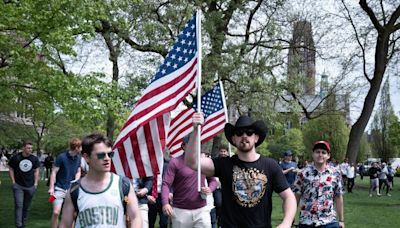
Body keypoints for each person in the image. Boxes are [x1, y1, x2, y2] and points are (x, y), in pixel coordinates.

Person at [185, 113, 296, 228]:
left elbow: (289, 196)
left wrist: (286, 223)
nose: (244, 136)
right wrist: (195, 131)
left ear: (256, 138)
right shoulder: (224, 164)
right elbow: (192, 162)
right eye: (239, 133)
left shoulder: (271, 166)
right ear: (234, 139)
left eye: (249, 132)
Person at [59, 133, 142, 227]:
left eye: (110, 154)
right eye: (101, 155)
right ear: (86, 157)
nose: (107, 159)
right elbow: (65, 224)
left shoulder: (123, 185)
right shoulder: (74, 190)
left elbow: (135, 217)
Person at [161, 135, 218, 228]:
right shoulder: (175, 162)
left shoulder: (203, 162)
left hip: (202, 210)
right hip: (180, 211)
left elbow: (213, 181)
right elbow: (166, 184)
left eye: (196, 144)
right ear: (183, 145)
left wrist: (210, 189)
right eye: (191, 144)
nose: (194, 146)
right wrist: (165, 203)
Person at [293, 140, 344, 228]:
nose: (320, 155)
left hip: (329, 221)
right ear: (313, 154)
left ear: (328, 156)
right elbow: (296, 197)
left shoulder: (335, 174)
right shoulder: (303, 173)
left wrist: (341, 220)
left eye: (323, 152)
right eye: (317, 152)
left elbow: (338, 197)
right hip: (307, 221)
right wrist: (291, 218)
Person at [48, 138, 82, 228]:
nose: (82, 149)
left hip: (71, 189)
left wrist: (76, 181)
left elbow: (78, 171)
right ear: (77, 148)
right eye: (81, 147)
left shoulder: (79, 158)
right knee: (56, 212)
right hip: (59, 188)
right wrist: (51, 188)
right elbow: (54, 172)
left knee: (73, 214)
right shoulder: (61, 157)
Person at [8, 140, 40, 228]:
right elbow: (11, 168)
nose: (30, 150)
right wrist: (13, 182)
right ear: (24, 148)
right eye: (28, 148)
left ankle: (23, 223)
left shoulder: (34, 159)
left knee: (26, 207)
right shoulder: (16, 158)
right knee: (19, 205)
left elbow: (37, 170)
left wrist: (36, 183)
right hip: (18, 186)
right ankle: (19, 225)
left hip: (30, 186)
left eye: (31, 148)